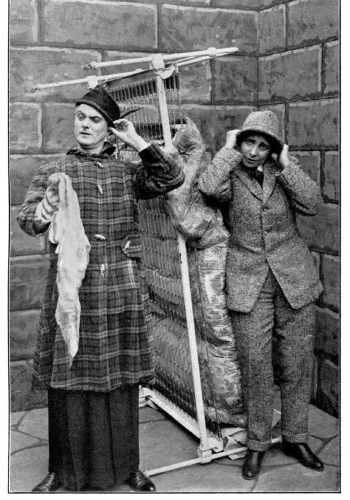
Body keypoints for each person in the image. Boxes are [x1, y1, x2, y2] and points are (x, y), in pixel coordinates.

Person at [17, 85, 184, 492]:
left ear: (110, 129)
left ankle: (129, 468)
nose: (85, 126)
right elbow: (28, 219)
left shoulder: (128, 170)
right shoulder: (56, 170)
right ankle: (62, 471)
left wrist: (137, 141)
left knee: (122, 379)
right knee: (68, 375)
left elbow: (171, 176)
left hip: (122, 286)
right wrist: (41, 213)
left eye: (95, 120)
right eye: (80, 118)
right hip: (74, 290)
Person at [198, 110, 324, 480]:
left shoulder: (283, 173)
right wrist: (225, 150)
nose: (253, 151)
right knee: (255, 364)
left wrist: (286, 165)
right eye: (248, 142)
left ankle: (295, 437)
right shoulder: (229, 174)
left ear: (273, 150)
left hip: (294, 279)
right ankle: (257, 444)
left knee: (297, 361)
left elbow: (313, 204)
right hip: (247, 281)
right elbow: (206, 187)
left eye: (262, 145)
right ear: (239, 143)